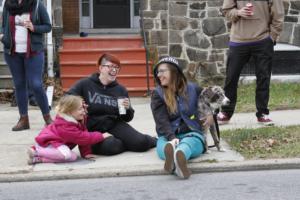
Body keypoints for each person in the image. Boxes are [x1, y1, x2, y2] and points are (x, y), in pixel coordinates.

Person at [67, 53, 157, 155]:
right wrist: (79, 103)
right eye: (110, 66)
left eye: (116, 67)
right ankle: (125, 143)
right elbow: (67, 98)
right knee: (111, 146)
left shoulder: (120, 90)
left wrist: (128, 109)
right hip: (92, 127)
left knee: (141, 143)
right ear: (101, 68)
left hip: (114, 124)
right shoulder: (85, 84)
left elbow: (127, 118)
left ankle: (156, 140)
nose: (114, 70)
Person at [219, 0, 284, 125]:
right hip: (238, 40)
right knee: (231, 78)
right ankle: (226, 112)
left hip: (263, 39)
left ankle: (262, 113)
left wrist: (272, 37)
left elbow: (278, 13)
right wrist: (238, 12)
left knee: (263, 78)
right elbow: (226, 11)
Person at [150, 56, 214, 179]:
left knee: (191, 141)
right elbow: (161, 120)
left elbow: (212, 96)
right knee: (162, 144)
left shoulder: (193, 88)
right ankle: (179, 155)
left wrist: (210, 113)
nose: (158, 75)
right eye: (157, 72)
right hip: (168, 135)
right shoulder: (158, 94)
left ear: (174, 72)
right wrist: (172, 137)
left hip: (191, 132)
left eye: (162, 71)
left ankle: (178, 154)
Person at [1, 0, 53, 131]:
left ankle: (48, 118)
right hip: (12, 52)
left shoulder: (36, 5)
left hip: (33, 52)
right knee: (19, 84)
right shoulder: (8, 5)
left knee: (35, 84)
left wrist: (34, 27)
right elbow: (3, 24)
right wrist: (2, 35)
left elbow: (47, 26)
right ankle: (23, 119)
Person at [27, 95, 111, 165]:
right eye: (80, 109)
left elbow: (83, 134)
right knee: (67, 155)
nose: (84, 111)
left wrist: (86, 153)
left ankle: (38, 159)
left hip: (56, 144)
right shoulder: (65, 125)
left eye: (83, 108)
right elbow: (83, 138)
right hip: (48, 143)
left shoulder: (78, 120)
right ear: (69, 112)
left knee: (72, 157)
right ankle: (36, 151)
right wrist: (101, 135)